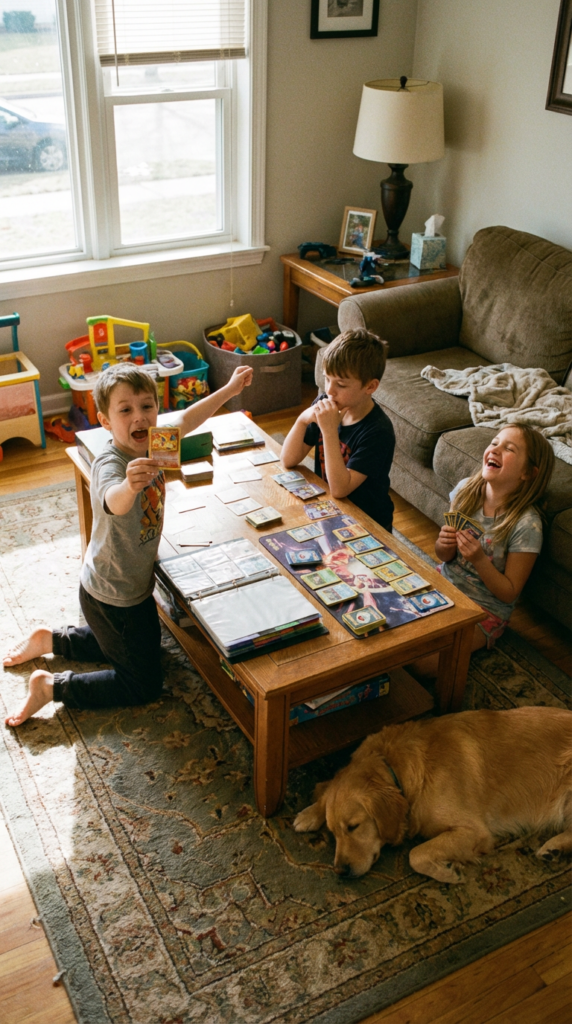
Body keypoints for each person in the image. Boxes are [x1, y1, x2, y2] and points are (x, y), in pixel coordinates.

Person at [3, 360, 253, 726]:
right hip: (112, 594)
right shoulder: (112, 463)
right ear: (105, 421)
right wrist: (130, 486)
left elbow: (188, 418)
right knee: (144, 682)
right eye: (125, 410)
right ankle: (52, 687)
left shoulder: (156, 441)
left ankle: (52, 640)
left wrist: (229, 390)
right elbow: (111, 501)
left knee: (139, 647)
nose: (139, 417)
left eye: (147, 407)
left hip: (129, 589)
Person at [436, 424, 554, 653]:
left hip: (484, 610)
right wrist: (443, 543)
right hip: (444, 584)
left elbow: (509, 592)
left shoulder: (527, 525)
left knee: (426, 662)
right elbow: (444, 557)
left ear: (528, 473)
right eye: (494, 442)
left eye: (509, 449)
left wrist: (479, 560)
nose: (495, 449)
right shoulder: (465, 491)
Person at [281, 329, 395, 531]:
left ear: (370, 387)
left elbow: (340, 489)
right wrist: (302, 420)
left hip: (369, 523)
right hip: (332, 510)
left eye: (341, 384)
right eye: (327, 379)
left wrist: (329, 431)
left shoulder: (378, 431)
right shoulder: (327, 402)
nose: (329, 391)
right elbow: (288, 459)